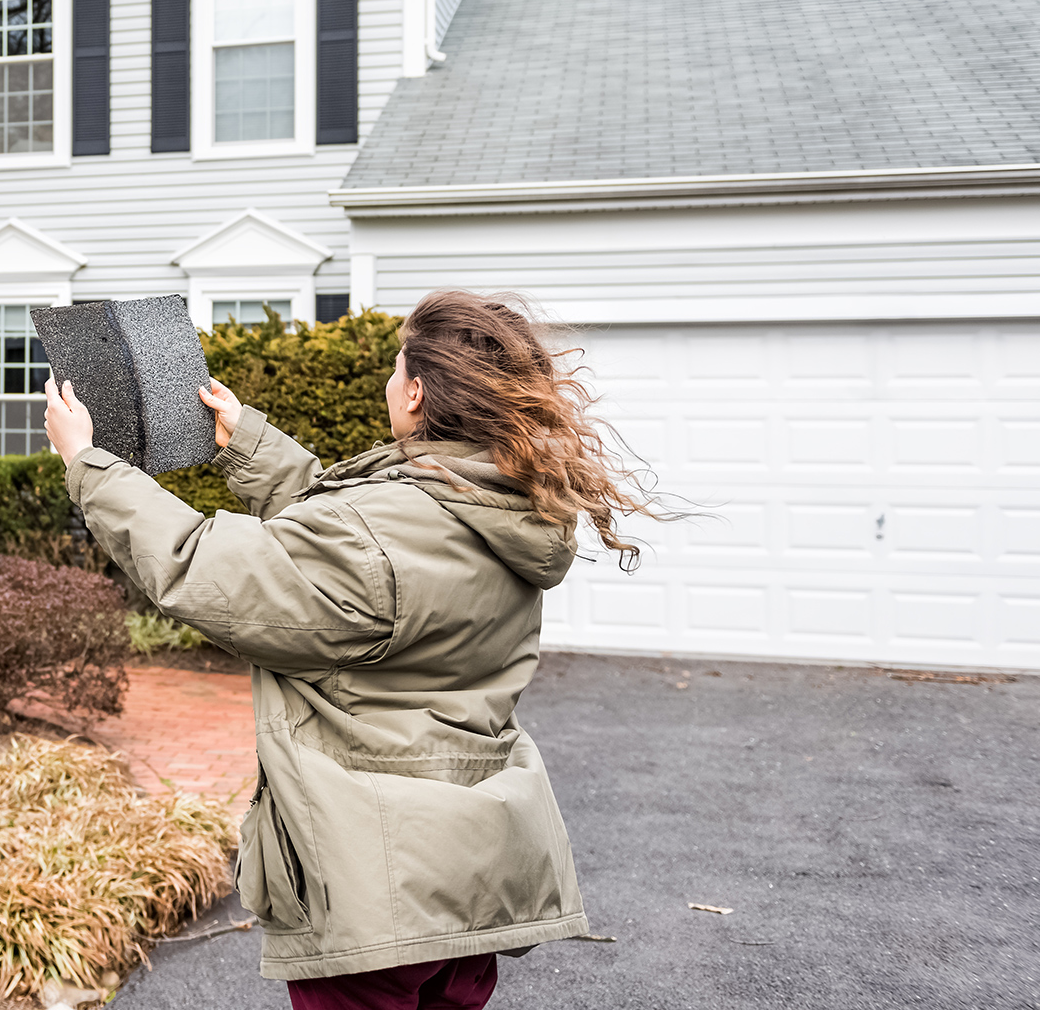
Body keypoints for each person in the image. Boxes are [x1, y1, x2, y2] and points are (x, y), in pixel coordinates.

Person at [43, 290, 664, 1010]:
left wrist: (89, 463)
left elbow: (202, 565)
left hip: (379, 890)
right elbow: (353, 539)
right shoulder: (498, 502)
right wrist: (248, 440)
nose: (391, 379)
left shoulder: (399, 520)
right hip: (470, 879)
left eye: (397, 365)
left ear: (419, 389)